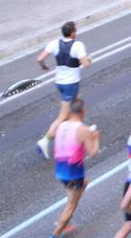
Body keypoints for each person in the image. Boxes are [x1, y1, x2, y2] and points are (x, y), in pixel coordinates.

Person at [35, 21, 92, 160]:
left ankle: (82, 129)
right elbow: (85, 64)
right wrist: (88, 60)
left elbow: (40, 59)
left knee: (78, 104)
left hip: (59, 82)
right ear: (72, 33)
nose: (76, 33)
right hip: (70, 83)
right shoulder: (77, 45)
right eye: (75, 30)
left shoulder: (54, 43)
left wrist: (43, 66)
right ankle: (45, 140)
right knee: (63, 116)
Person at [51, 97, 99, 238]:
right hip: (73, 173)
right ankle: (56, 233)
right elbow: (93, 153)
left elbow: (54, 135)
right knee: (71, 205)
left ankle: (64, 220)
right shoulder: (83, 129)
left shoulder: (62, 125)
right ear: (82, 111)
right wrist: (95, 138)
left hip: (60, 169)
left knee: (83, 184)